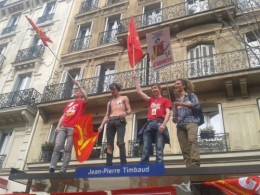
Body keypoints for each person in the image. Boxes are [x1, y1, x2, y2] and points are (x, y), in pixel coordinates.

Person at [49, 79, 88, 173]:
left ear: (81, 94)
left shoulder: (82, 103)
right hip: (63, 126)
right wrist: (58, 126)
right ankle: (52, 167)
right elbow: (64, 115)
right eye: (75, 90)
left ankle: (63, 169)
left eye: (77, 91)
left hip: (73, 128)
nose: (75, 91)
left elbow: (86, 97)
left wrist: (78, 85)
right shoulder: (69, 103)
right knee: (57, 146)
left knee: (68, 149)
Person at [133, 75, 171, 164]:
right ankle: (143, 169)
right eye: (152, 88)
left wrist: (164, 124)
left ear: (159, 89)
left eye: (155, 88)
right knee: (145, 149)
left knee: (159, 149)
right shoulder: (151, 100)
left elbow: (168, 113)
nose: (153, 90)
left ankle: (158, 169)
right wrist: (136, 80)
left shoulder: (165, 100)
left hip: (159, 124)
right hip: (149, 125)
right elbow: (139, 92)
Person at [98, 82, 131, 166]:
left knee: (120, 142)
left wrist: (126, 113)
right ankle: (108, 166)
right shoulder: (109, 103)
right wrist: (101, 125)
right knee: (109, 145)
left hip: (120, 120)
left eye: (114, 89)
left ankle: (123, 164)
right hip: (110, 121)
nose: (112, 91)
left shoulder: (124, 98)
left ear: (117, 89)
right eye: (111, 90)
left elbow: (129, 110)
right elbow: (106, 115)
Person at [172, 78, 201, 168]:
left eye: (178, 84)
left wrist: (182, 104)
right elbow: (175, 115)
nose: (175, 85)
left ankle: (195, 164)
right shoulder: (176, 100)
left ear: (183, 86)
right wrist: (174, 118)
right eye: (175, 84)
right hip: (180, 125)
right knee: (184, 147)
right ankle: (188, 166)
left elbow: (196, 106)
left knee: (192, 141)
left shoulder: (191, 96)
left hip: (191, 121)